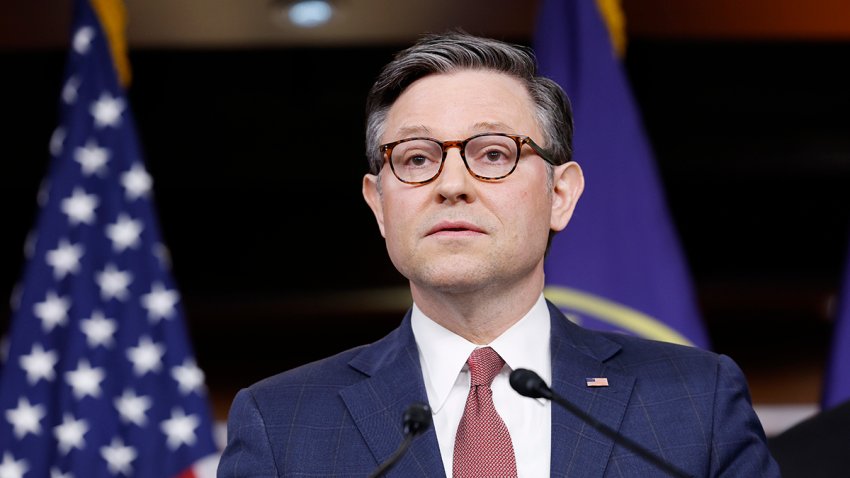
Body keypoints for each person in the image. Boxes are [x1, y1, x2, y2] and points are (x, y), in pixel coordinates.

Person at [218, 32, 780, 477]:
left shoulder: (694, 400)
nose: (451, 185)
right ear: (379, 205)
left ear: (560, 195)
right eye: (416, 159)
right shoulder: (283, 423)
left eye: (493, 153)